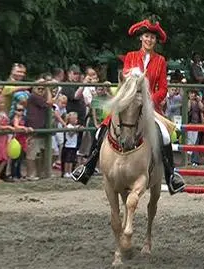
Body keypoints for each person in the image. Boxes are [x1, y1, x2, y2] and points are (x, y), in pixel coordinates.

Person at [71, 19, 185, 194]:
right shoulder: (131, 57)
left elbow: (163, 88)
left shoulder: (160, 61)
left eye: (153, 38)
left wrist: (149, 101)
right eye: (147, 36)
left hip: (149, 108)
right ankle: (88, 165)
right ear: (141, 38)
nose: (149, 40)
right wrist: (130, 98)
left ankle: (171, 175)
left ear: (155, 41)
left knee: (164, 135)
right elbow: (125, 83)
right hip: (127, 106)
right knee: (100, 131)